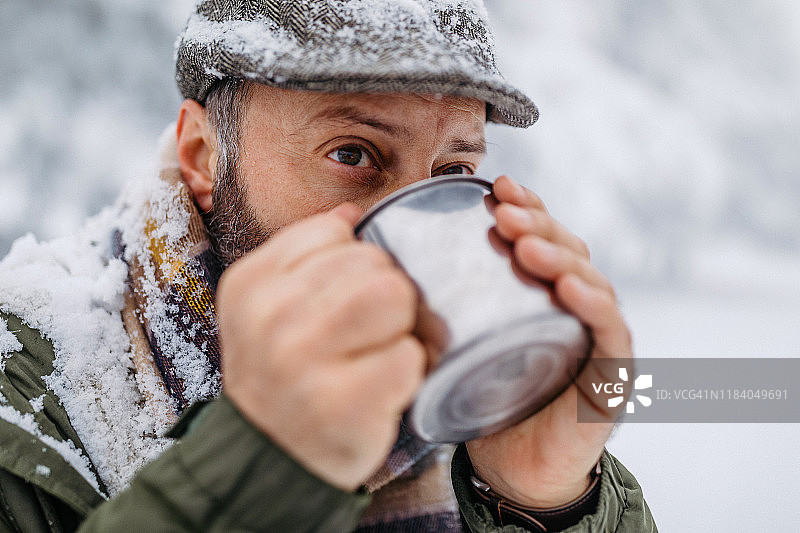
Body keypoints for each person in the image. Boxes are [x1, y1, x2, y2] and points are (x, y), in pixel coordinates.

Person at [0, 0, 656, 531]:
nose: (412, 230)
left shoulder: (461, 383)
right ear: (204, 155)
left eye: (452, 172)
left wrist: (544, 502)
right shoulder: (27, 395)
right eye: (352, 154)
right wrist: (261, 465)